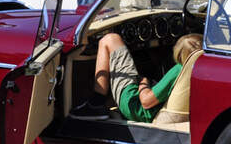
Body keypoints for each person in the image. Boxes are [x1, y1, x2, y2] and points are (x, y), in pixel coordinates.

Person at [71, 32, 202, 121]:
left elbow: (146, 102)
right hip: (156, 108)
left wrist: (144, 83)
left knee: (110, 39)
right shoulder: (199, 67)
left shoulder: (178, 69)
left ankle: (96, 103)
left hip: (135, 106)